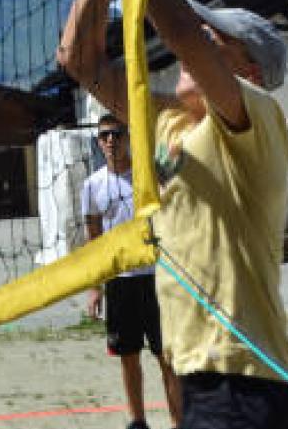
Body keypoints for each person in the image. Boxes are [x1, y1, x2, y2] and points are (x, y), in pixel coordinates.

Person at [56, 0, 288, 428]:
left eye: (214, 37)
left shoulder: (260, 118)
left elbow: (177, 29)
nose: (194, 40)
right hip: (209, 383)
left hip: (250, 382)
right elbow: (76, 57)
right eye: (201, 30)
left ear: (247, 69)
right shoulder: (171, 122)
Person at [81, 115, 181, 429]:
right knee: (128, 355)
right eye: (105, 136)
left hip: (154, 276)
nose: (111, 140)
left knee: (166, 355)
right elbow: (93, 239)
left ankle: (179, 421)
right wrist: (95, 287)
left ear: (127, 137)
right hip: (120, 281)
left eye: (116, 134)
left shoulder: (145, 175)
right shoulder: (92, 185)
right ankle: (138, 421)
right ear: (99, 143)